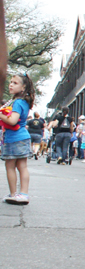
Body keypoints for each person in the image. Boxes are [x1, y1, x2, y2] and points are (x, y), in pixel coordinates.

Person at [1, 74, 34, 205]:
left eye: (15, 83)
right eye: (10, 82)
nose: (11, 85)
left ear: (23, 87)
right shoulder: (23, 101)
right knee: (22, 166)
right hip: (22, 137)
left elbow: (13, 120)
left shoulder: (17, 102)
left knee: (10, 166)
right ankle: (24, 194)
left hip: (14, 138)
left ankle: (14, 193)